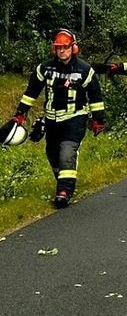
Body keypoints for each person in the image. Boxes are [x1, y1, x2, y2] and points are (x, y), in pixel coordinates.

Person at [11, 30, 105, 207]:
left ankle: (64, 192)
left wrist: (98, 120)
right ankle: (63, 178)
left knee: (67, 151)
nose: (62, 51)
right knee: (52, 153)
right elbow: (31, 92)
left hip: (75, 117)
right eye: (58, 48)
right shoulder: (44, 68)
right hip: (52, 119)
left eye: (65, 47)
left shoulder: (85, 70)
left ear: (73, 48)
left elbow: (95, 97)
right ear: (54, 49)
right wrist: (20, 113)